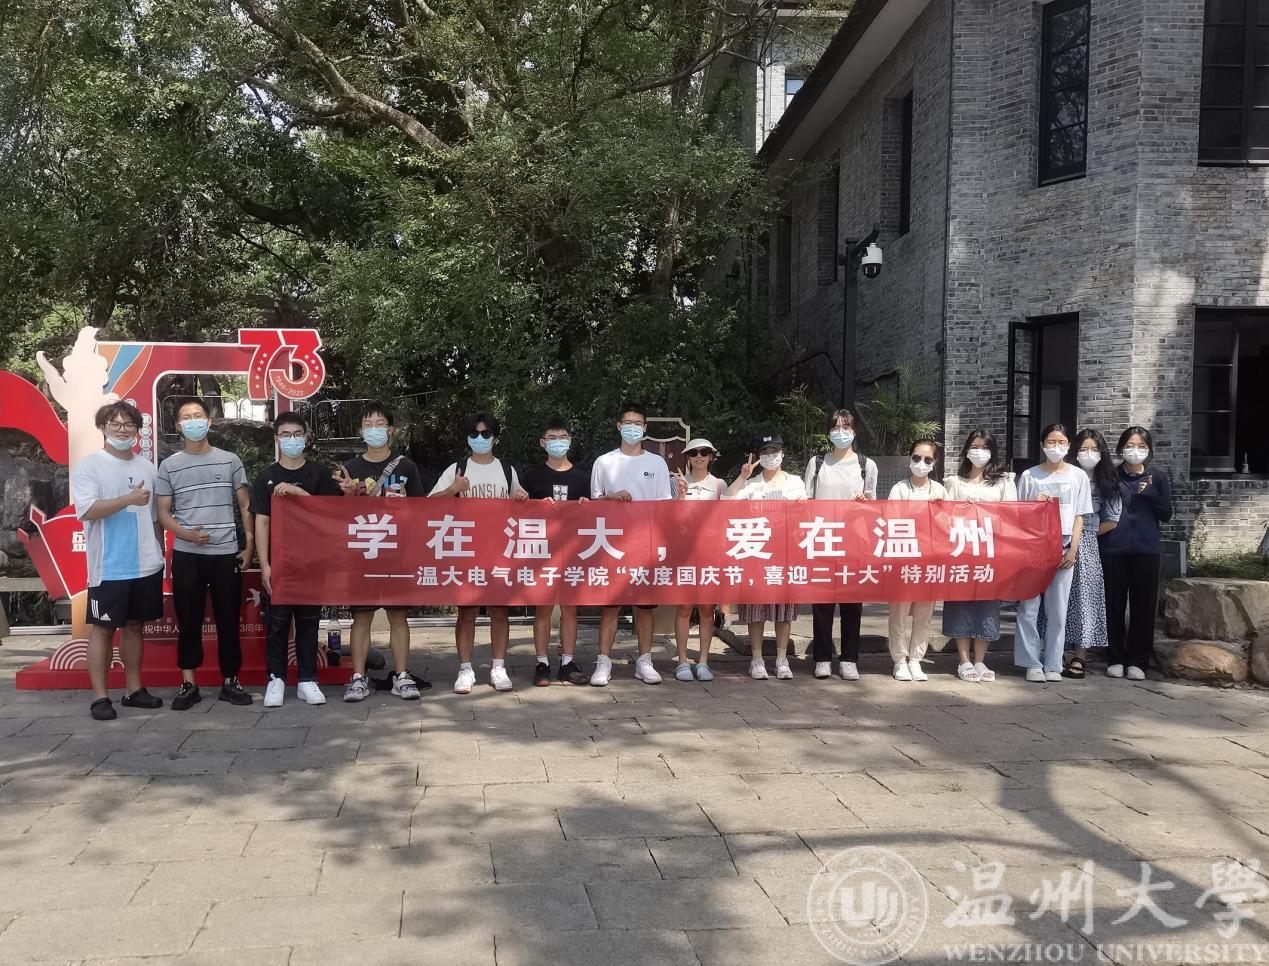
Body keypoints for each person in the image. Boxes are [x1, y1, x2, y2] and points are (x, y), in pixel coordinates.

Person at [156, 397, 254, 710]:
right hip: (187, 554)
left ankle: (231, 681)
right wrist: (186, 534)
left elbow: (245, 505)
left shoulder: (230, 460)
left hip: (226, 553)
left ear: (209, 421)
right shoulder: (169, 466)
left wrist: (249, 544)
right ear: (178, 425)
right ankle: (189, 683)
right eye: (186, 417)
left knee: (229, 619)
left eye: (198, 415)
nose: (193, 421)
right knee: (189, 620)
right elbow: (162, 512)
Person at [72, 401, 166, 720]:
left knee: (135, 627)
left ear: (138, 429)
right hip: (109, 566)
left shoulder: (147, 467)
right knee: (103, 629)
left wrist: (160, 551)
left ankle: (134, 690)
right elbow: (87, 510)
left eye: (129, 424)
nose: (123, 430)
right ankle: (100, 697)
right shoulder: (90, 466)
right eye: (116, 424)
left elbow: (154, 516)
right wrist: (128, 499)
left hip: (146, 563)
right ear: (103, 427)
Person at [430, 412, 528, 694]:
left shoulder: (506, 469)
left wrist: (521, 498)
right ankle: (465, 669)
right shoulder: (457, 469)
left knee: (500, 611)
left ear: (495, 438)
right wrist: (453, 489)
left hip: (500, 551)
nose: (480, 439)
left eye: (486, 434)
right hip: (466, 551)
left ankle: (499, 668)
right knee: (467, 612)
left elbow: (521, 504)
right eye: (474, 434)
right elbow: (428, 504)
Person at [336, 402, 425, 703]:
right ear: (360, 431)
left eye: (379, 424)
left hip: (397, 552)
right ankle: (358, 678)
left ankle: (402, 676)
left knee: (398, 615)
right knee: (361, 617)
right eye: (367, 425)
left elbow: (421, 511)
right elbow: (336, 517)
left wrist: (405, 504)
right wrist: (347, 496)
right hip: (362, 551)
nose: (373, 429)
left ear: (391, 430)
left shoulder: (406, 467)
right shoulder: (350, 468)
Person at [250, 412, 341, 707]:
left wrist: (298, 492)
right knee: (276, 624)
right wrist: (265, 565)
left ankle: (307, 680)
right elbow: (261, 522)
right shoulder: (265, 477)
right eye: (286, 435)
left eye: (297, 434)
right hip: (280, 563)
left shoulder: (319, 475)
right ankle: (275, 679)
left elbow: (329, 516)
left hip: (312, 561)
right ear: (277, 439)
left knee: (308, 623)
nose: (292, 440)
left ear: (306, 437)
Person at [589, 402, 673, 687]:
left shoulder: (657, 463)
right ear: (618, 426)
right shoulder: (604, 462)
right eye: (628, 423)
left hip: (645, 543)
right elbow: (592, 504)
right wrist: (611, 498)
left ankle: (645, 661)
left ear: (645, 428)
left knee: (645, 607)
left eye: (638, 423)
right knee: (611, 606)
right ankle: (603, 661)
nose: (633, 428)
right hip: (611, 544)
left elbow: (664, 505)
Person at [725, 434, 807, 680]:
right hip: (756, 553)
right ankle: (757, 659)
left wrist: (797, 509)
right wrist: (743, 476)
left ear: (782, 453)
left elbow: (806, 513)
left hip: (785, 553)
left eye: (774, 452)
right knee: (755, 609)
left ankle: (782, 659)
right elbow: (726, 501)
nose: (770, 457)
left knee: (784, 609)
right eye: (765, 453)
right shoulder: (752, 485)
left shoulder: (795, 482)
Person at [803, 409, 877, 681]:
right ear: (829, 432)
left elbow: (873, 505)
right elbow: (807, 501)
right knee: (822, 603)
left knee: (851, 603)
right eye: (836, 427)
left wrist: (865, 503)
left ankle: (849, 658)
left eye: (846, 427)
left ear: (855, 431)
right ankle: (822, 657)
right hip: (823, 538)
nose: (841, 432)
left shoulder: (866, 465)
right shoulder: (817, 463)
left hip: (854, 542)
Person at [1014, 424, 1091, 683]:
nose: (1056, 447)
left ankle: (1053, 663)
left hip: (1064, 546)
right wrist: (1034, 505)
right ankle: (1031, 662)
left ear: (1069, 446)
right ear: (1042, 445)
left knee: (1058, 610)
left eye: (1061, 442)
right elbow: (1018, 514)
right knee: (1028, 608)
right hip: (1034, 547)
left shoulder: (1078, 476)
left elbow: (1079, 516)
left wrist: (1073, 550)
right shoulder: (1030, 476)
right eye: (1050, 442)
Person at [519, 417, 590, 686]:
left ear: (570, 441)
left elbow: (597, 512)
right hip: (542, 551)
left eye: (562, 438)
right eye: (552, 438)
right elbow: (518, 511)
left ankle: (567, 662)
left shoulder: (583, 476)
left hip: (574, 551)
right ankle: (542, 663)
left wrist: (588, 505)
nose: (557, 443)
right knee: (543, 609)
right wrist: (531, 504)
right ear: (542, 442)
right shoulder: (532, 476)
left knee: (570, 609)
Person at [942, 429, 1017, 682]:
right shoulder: (955, 482)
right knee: (960, 604)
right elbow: (945, 517)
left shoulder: (1003, 481)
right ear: (966, 450)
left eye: (984, 447)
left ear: (992, 452)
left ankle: (981, 660)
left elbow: (1012, 515)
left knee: (987, 605)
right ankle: (964, 660)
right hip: (961, 552)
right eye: (974, 447)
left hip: (990, 552)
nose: (979, 452)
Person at [1100, 426, 1172, 681]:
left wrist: (1152, 494)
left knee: (1144, 606)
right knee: (1113, 605)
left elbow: (1166, 514)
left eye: (1141, 446)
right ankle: (1115, 658)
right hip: (1113, 548)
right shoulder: (1110, 476)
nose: (1135, 451)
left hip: (1146, 549)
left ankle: (1138, 661)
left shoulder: (1158, 477)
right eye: (1130, 445)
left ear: (1149, 450)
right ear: (1121, 449)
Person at [886, 438, 947, 682]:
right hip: (904, 559)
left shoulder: (940, 490)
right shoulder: (899, 489)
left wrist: (938, 509)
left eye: (927, 459)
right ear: (909, 458)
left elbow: (948, 525)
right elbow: (891, 522)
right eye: (916, 458)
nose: (921, 463)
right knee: (898, 614)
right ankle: (899, 660)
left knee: (924, 615)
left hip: (930, 561)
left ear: (935, 462)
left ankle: (916, 660)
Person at [1057, 429, 1114, 679]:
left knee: (1085, 602)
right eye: (1083, 449)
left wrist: (1084, 535)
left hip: (1088, 545)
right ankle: (1056, 651)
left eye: (1094, 449)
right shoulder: (1064, 475)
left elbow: (1112, 520)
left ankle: (1080, 656)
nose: (1088, 454)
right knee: (1057, 600)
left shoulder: (1107, 482)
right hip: (1059, 541)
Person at [671, 438, 725, 683]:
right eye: (694, 453)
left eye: (704, 452)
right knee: (684, 607)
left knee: (706, 608)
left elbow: (727, 516)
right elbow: (669, 518)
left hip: (711, 553)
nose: (699, 456)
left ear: (711, 456)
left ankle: (703, 661)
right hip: (684, 552)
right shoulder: (678, 482)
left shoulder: (719, 484)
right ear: (688, 457)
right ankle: (682, 661)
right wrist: (681, 495)